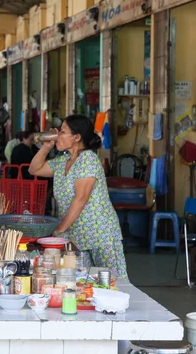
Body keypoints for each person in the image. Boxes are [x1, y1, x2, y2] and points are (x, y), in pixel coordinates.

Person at [28, 115, 127, 278]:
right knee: (83, 282)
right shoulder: (63, 161)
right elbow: (34, 170)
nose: (57, 135)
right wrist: (46, 147)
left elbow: (80, 200)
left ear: (77, 137)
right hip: (75, 234)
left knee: (112, 282)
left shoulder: (88, 160)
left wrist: (59, 230)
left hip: (99, 233)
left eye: (63, 132)